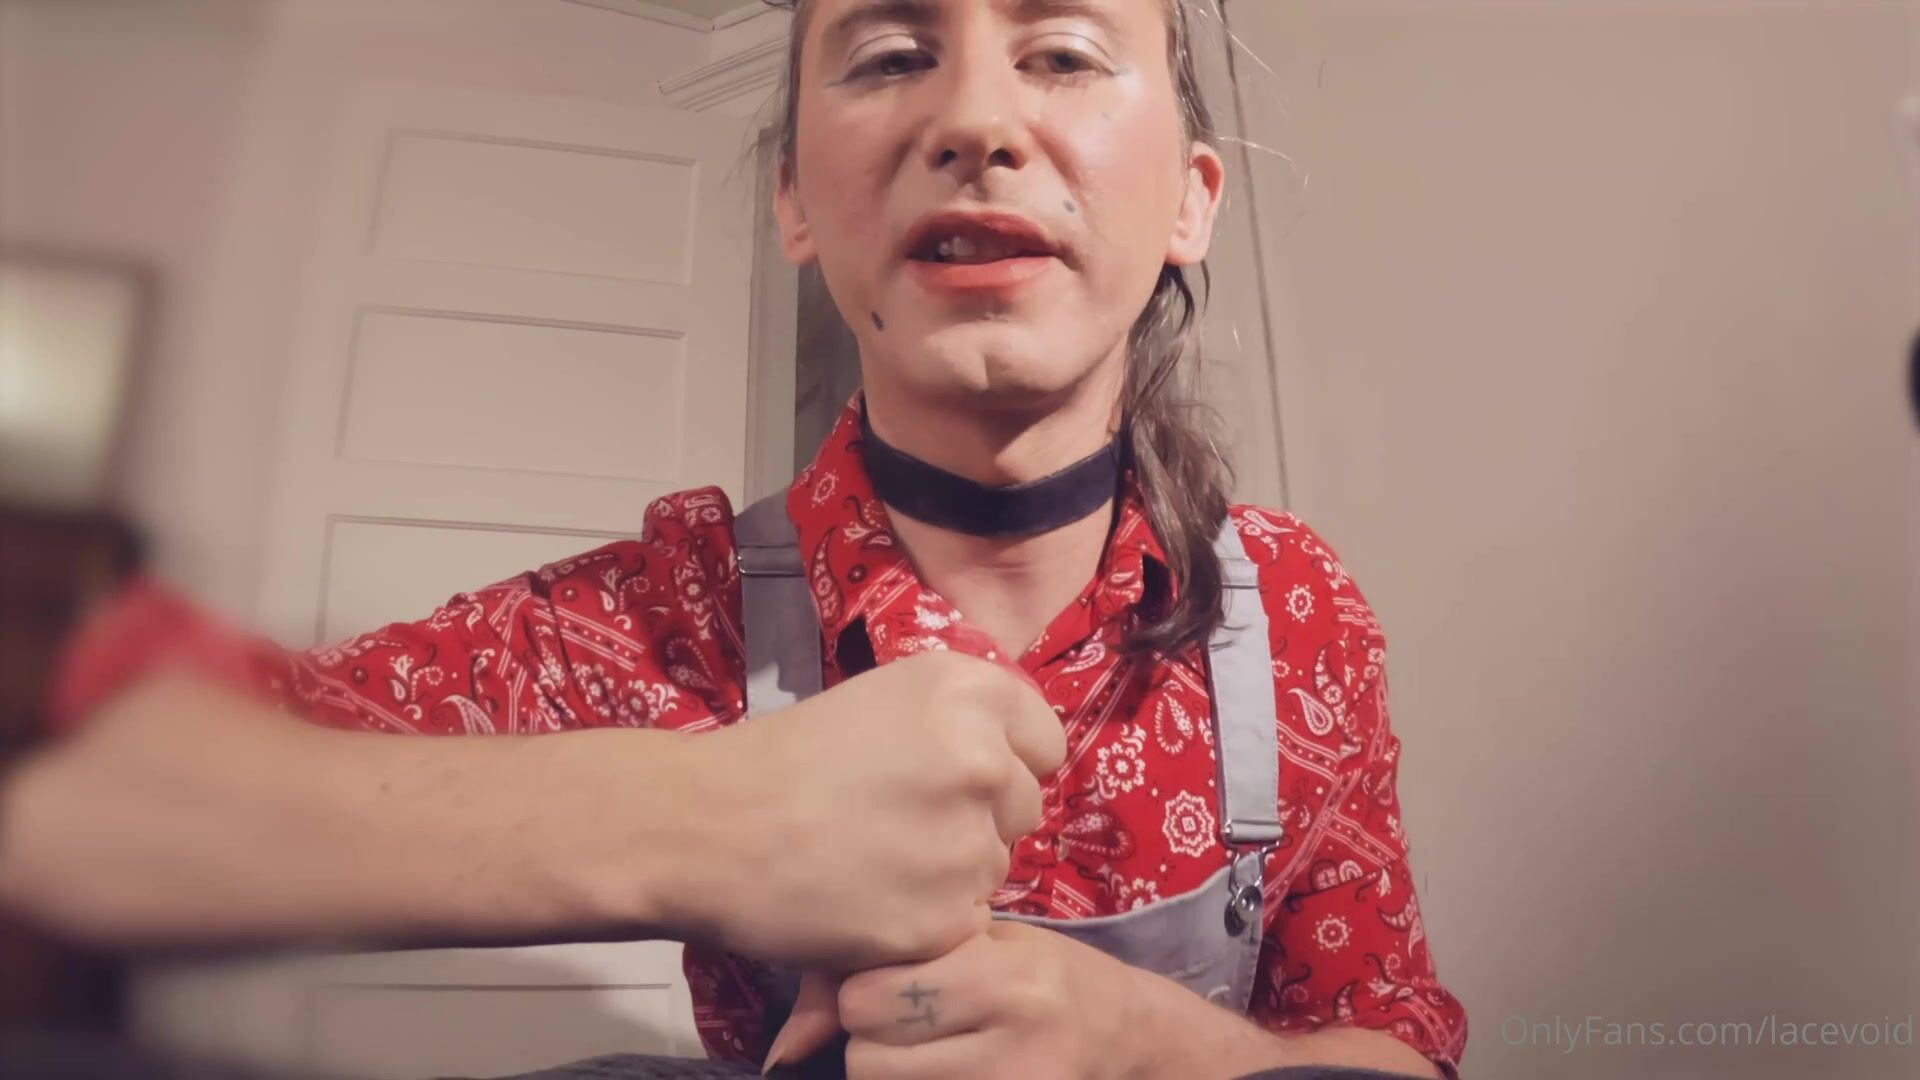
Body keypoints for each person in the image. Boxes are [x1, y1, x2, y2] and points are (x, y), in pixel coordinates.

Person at [0, 0, 1468, 1076]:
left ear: (1192, 201)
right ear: (795, 203)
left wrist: (1160, 1052)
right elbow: (84, 789)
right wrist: (688, 818)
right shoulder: (667, 615)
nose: (976, 121)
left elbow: (1398, 1038)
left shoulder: (1293, 607)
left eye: (1066, 54)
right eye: (889, 56)